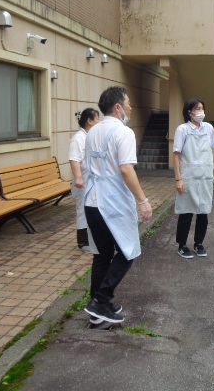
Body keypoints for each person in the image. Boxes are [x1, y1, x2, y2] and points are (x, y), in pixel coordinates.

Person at [82, 87, 152, 324]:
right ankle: (101, 300)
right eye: (128, 103)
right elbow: (126, 169)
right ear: (118, 107)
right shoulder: (123, 132)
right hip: (112, 203)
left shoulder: (92, 131)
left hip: (91, 202)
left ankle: (96, 309)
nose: (130, 107)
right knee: (128, 250)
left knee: (102, 254)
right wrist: (143, 201)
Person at [173, 98, 214, 258]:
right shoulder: (182, 130)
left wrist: (210, 171)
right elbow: (176, 155)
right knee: (186, 212)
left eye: (202, 108)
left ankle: (199, 243)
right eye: (197, 109)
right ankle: (182, 245)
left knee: (203, 212)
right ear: (189, 112)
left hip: (204, 176)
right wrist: (178, 179)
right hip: (189, 176)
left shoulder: (208, 128)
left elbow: (210, 150)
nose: (200, 112)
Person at [69, 108, 100, 251]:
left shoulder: (88, 136)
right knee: (82, 210)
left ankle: (91, 239)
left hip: (90, 181)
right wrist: (78, 178)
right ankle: (83, 242)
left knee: (89, 209)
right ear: (89, 121)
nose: (99, 122)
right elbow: (74, 159)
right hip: (82, 183)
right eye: (97, 119)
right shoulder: (78, 138)